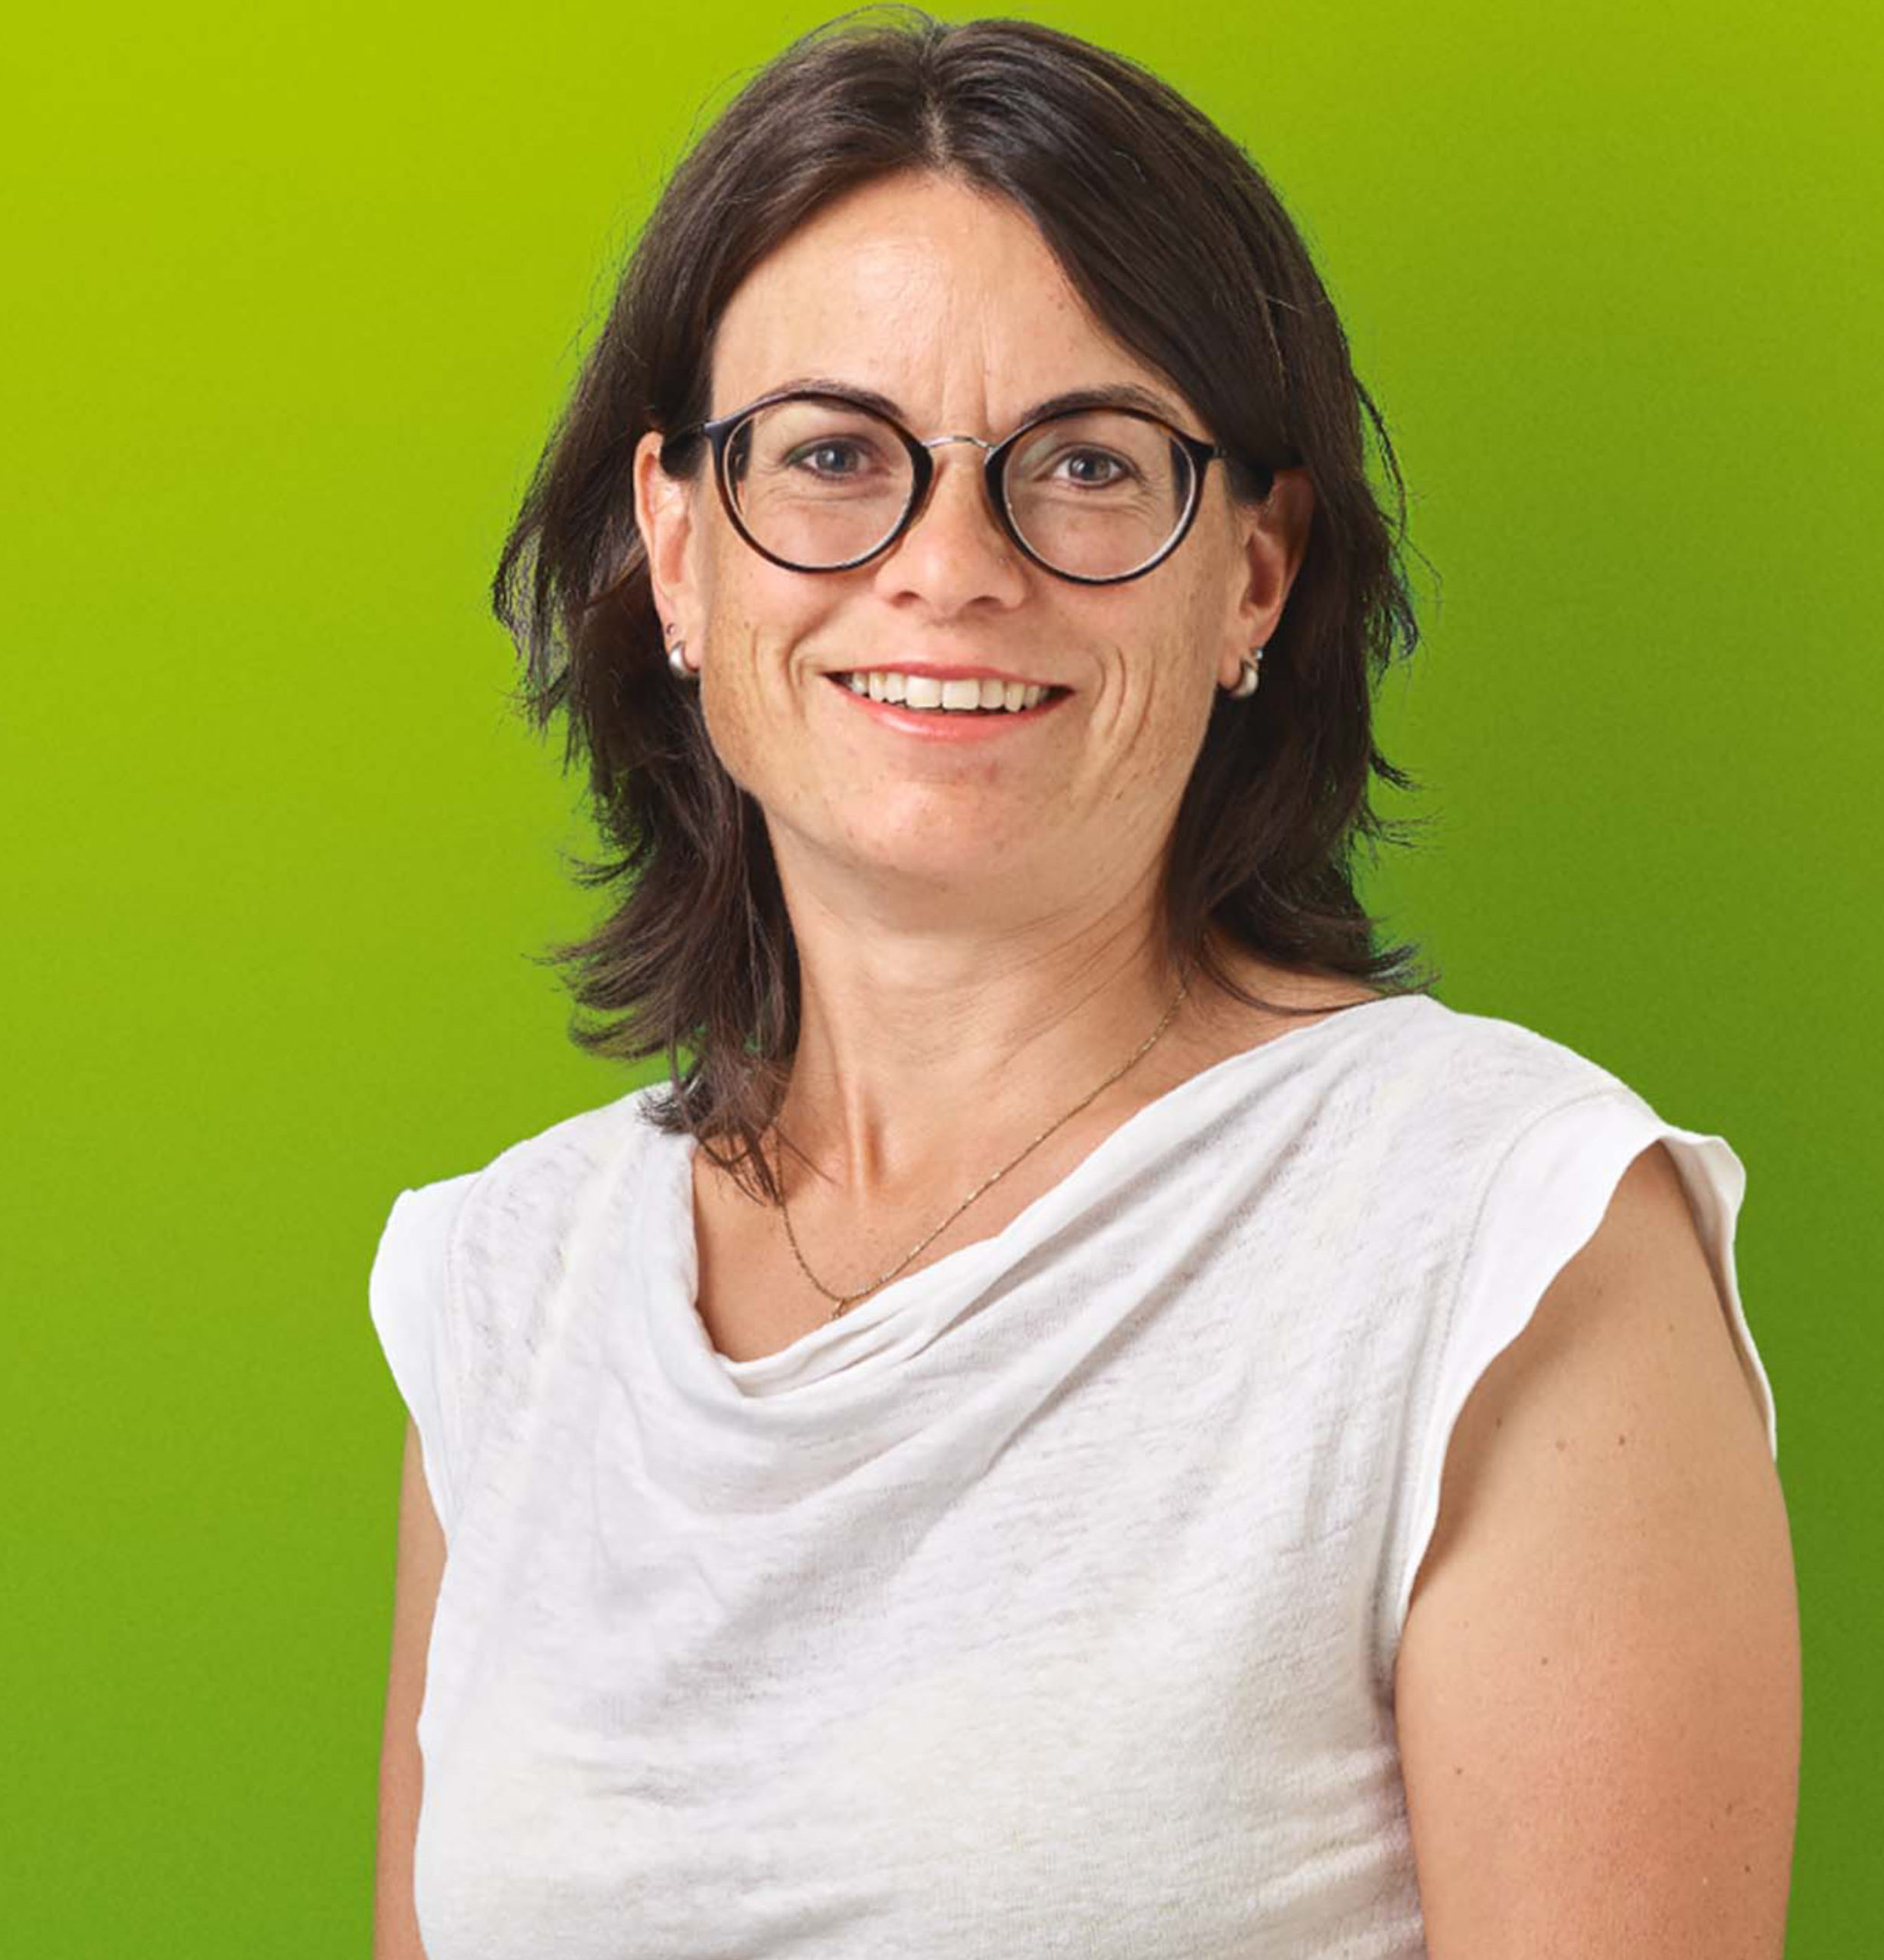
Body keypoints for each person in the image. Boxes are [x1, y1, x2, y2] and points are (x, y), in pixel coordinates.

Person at [368, 10, 1801, 1957]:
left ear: (1254, 577)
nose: (950, 566)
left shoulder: (1499, 1233)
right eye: (831, 453)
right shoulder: (508, 1285)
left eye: (1085, 463)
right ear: (678, 551)